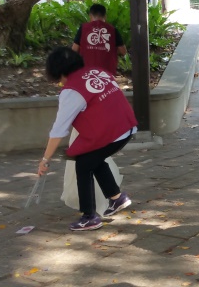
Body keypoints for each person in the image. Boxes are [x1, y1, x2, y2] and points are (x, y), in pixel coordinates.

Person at [37, 47, 138, 231]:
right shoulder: (98, 71)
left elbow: (59, 130)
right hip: (128, 126)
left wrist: (45, 160)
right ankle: (117, 198)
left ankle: (89, 217)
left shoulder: (71, 91)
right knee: (92, 158)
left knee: (83, 163)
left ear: (58, 72)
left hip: (113, 133)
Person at [72, 4, 127, 76]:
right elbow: (123, 51)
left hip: (86, 72)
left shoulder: (83, 28)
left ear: (90, 16)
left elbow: (74, 50)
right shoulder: (113, 30)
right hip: (107, 73)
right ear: (105, 17)